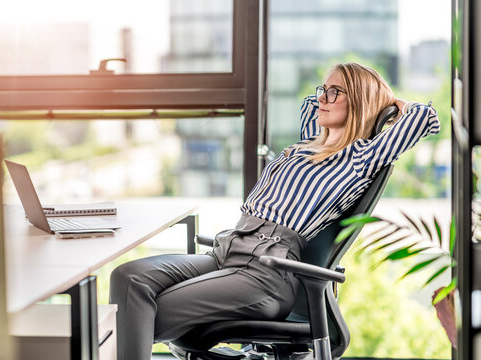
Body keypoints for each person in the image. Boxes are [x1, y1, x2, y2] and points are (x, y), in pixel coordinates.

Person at [109, 62, 440, 360]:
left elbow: (425, 118)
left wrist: (385, 105)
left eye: (335, 92)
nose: (322, 98)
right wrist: (335, 93)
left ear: (359, 102)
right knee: (127, 278)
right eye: (323, 89)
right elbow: (309, 105)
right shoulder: (309, 144)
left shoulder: (359, 157)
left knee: (136, 314)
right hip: (226, 252)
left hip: (265, 273)